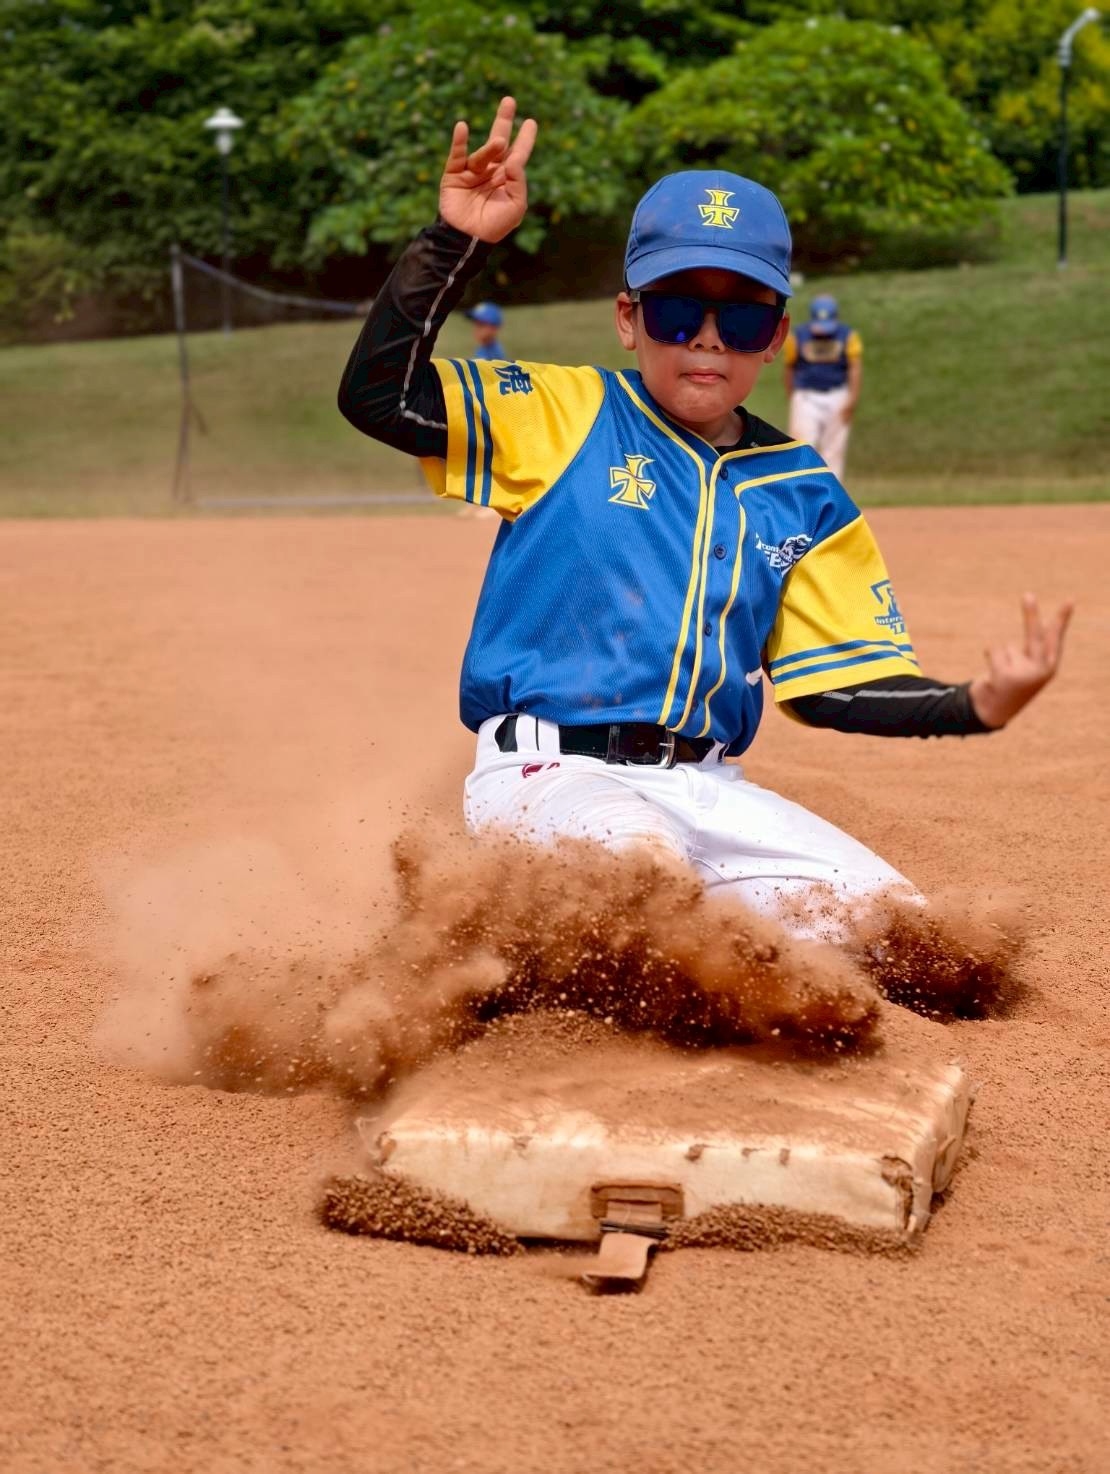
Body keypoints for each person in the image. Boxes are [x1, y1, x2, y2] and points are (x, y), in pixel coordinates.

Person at [338, 97, 1071, 940]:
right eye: (678, 311)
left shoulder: (804, 490)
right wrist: (454, 243)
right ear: (628, 320)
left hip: (711, 792)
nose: (709, 339)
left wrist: (975, 703)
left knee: (910, 938)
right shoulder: (564, 412)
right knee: (642, 887)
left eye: (744, 316)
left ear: (777, 336)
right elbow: (379, 398)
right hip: (552, 773)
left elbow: (834, 687)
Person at [783, 295, 861, 481]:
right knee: (801, 447)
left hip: (837, 395)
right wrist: (794, 397)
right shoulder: (798, 336)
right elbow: (789, 368)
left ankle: (832, 494)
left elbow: (855, 368)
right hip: (806, 397)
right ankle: (801, 490)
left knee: (834, 450)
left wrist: (851, 400)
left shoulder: (848, 336)